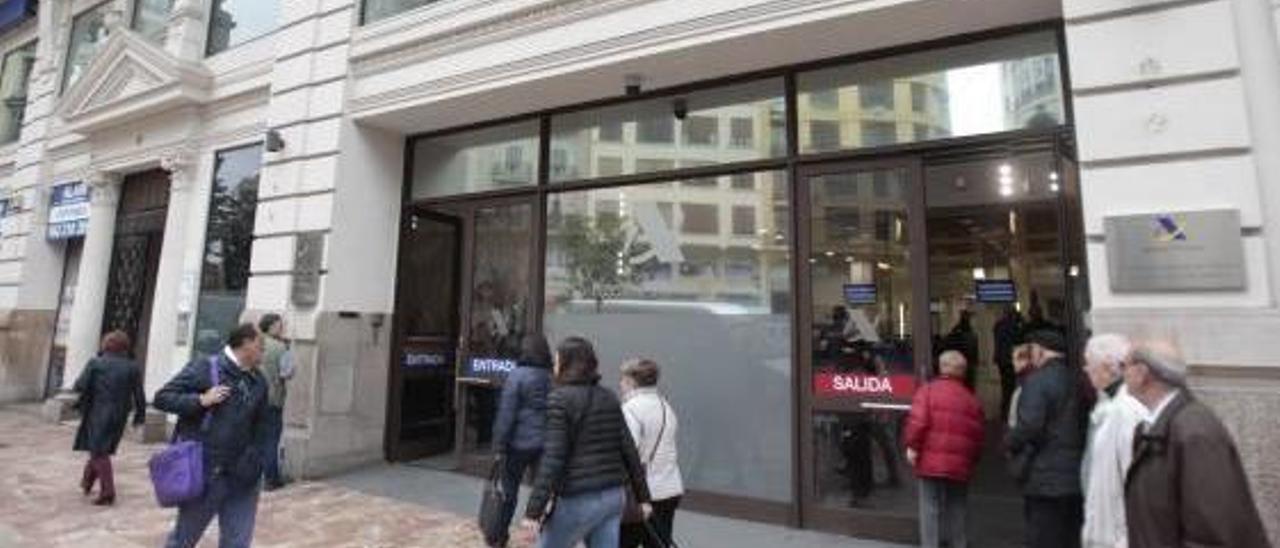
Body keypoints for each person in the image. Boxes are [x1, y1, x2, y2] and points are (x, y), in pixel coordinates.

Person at [1122, 341, 1269, 548]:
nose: (1121, 373)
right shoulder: (1156, 427)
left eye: (1124, 365)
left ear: (1142, 372)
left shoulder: (1194, 431)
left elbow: (1212, 529)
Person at [520, 337, 651, 548]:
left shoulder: (560, 399)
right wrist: (643, 497)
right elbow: (629, 450)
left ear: (566, 364)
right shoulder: (608, 397)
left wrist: (533, 513)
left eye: (556, 361)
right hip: (613, 497)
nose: (554, 366)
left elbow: (553, 459)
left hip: (579, 500)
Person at [154, 323, 269, 548]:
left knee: (237, 543)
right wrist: (200, 401)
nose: (263, 352)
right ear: (245, 344)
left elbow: (262, 426)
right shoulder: (205, 367)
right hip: (207, 474)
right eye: (260, 346)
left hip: (244, 477)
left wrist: (257, 461)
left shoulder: (259, 381)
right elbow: (163, 397)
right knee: (184, 539)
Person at [1006, 330, 1088, 548]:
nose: (1031, 355)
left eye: (1032, 350)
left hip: (1044, 476)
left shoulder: (1037, 382)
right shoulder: (1077, 379)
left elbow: (1029, 427)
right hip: (1075, 474)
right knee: (1070, 536)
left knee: (1042, 536)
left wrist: (1010, 442)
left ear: (1040, 351)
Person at [904, 351, 984, 548]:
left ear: (941, 367)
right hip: (960, 464)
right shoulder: (971, 400)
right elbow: (978, 436)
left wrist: (912, 447)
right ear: (963, 372)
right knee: (958, 506)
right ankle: (959, 543)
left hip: (930, 460)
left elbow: (917, 423)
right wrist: (972, 459)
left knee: (929, 507)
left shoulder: (928, 391)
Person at [487, 334, 554, 548]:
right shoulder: (553, 376)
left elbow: (506, 414)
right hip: (546, 443)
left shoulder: (517, 375)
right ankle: (545, 537)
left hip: (518, 444)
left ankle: (498, 537)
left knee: (508, 492)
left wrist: (498, 445)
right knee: (542, 492)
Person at [1080, 334, 1144, 548]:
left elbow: (1133, 480)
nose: (1085, 369)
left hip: (1117, 536)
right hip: (1104, 530)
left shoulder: (1125, 411)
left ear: (1107, 367)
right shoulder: (1107, 405)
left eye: (1089, 363)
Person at [72, 330, 147, 505]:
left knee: (99, 451)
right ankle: (87, 482)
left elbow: (80, 385)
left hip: (98, 413)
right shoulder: (132, 367)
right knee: (99, 448)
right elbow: (139, 395)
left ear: (106, 344)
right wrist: (139, 416)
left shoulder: (96, 363)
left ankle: (108, 492)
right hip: (120, 415)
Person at [619, 358, 684, 548]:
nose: (620, 384)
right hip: (670, 487)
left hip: (643, 493)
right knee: (657, 543)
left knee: (625, 541)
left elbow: (629, 452)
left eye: (622, 379)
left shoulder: (630, 409)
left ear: (631, 381)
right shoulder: (665, 406)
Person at [257, 313, 294, 491]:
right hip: (272, 399)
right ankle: (271, 479)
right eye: (280, 326)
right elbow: (287, 373)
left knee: (253, 437)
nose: (282, 329)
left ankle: (251, 476)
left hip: (251, 398)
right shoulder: (281, 348)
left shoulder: (254, 343)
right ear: (271, 327)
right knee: (271, 439)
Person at [993, 306, 1024, 421]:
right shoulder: (1013, 326)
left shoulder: (998, 325)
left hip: (1001, 359)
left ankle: (1004, 411)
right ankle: (1008, 411)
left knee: (1005, 385)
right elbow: (1019, 339)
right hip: (1010, 359)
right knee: (1011, 386)